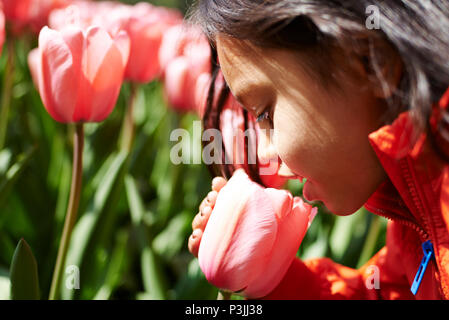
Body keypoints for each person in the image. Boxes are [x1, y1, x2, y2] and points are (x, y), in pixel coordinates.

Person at [187, 0, 449, 299]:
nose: (263, 154)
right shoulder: (416, 215)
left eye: (265, 114)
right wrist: (274, 277)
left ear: (371, 62)